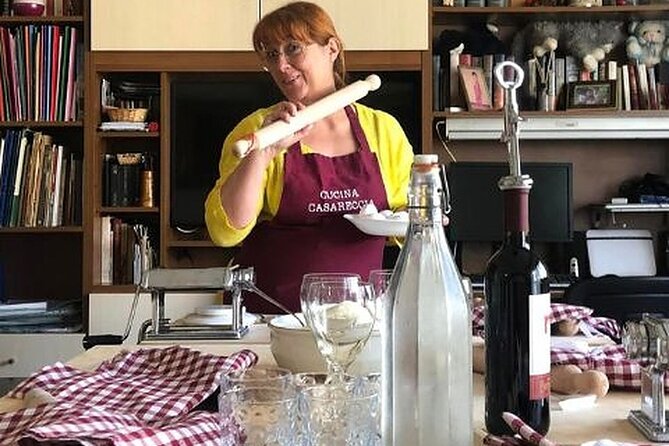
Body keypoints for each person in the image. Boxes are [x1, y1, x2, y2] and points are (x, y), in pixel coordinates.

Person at [204, 1, 414, 313]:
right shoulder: (258, 131)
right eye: (272, 55)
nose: (281, 65)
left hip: (361, 318)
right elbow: (225, 231)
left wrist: (425, 221)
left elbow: (406, 218)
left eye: (292, 48)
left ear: (332, 48)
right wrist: (261, 156)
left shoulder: (383, 130)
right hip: (271, 320)